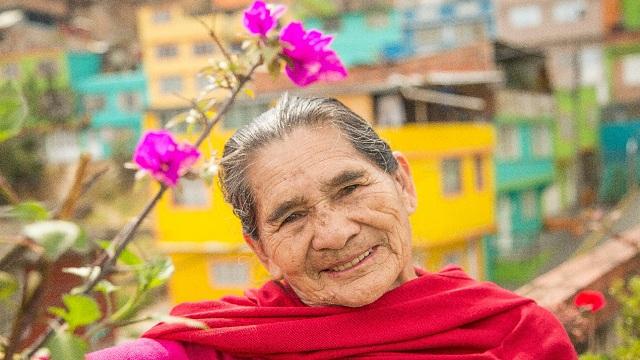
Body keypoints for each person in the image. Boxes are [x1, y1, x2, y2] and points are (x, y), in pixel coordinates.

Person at [88, 95, 577, 359]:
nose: (335, 233)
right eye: (292, 216)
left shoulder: (514, 332)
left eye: (349, 190)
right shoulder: (223, 344)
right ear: (260, 248)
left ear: (403, 182)